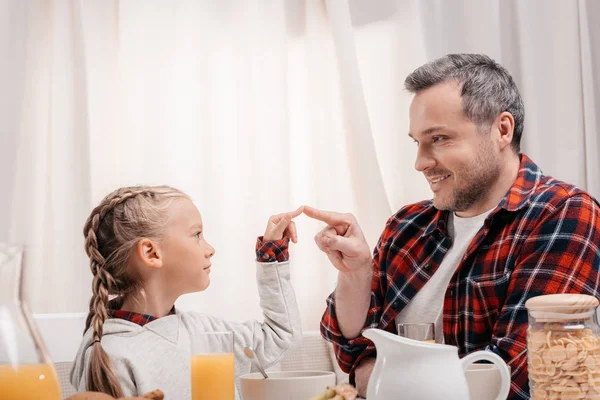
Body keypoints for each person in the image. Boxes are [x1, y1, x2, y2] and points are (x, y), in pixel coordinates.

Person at [306, 54, 600, 399]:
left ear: (501, 130)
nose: (420, 163)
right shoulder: (407, 225)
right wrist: (356, 273)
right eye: (417, 142)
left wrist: (386, 376)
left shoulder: (563, 214)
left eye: (440, 139)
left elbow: (515, 379)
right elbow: (351, 354)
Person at [70, 186, 303, 399]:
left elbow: (281, 335)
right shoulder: (112, 354)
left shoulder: (208, 334)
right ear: (152, 253)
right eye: (197, 235)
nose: (210, 249)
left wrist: (272, 252)